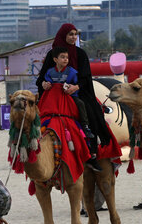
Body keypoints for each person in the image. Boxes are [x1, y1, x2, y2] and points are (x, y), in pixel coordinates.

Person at [36, 23, 112, 165]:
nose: (73, 37)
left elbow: (86, 78)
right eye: (70, 34)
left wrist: (75, 87)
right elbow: (41, 78)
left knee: (91, 112)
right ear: (63, 35)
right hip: (53, 96)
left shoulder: (81, 54)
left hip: (77, 93)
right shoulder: (51, 55)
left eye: (75, 34)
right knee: (34, 116)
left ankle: (92, 152)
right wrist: (43, 84)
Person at [43, 46, 101, 171]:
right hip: (53, 99)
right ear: (55, 59)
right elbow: (46, 82)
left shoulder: (72, 72)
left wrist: (71, 87)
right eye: (62, 57)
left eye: (67, 57)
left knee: (80, 104)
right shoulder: (49, 72)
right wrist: (45, 84)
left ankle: (85, 126)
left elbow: (76, 84)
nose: (65, 60)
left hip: (69, 98)